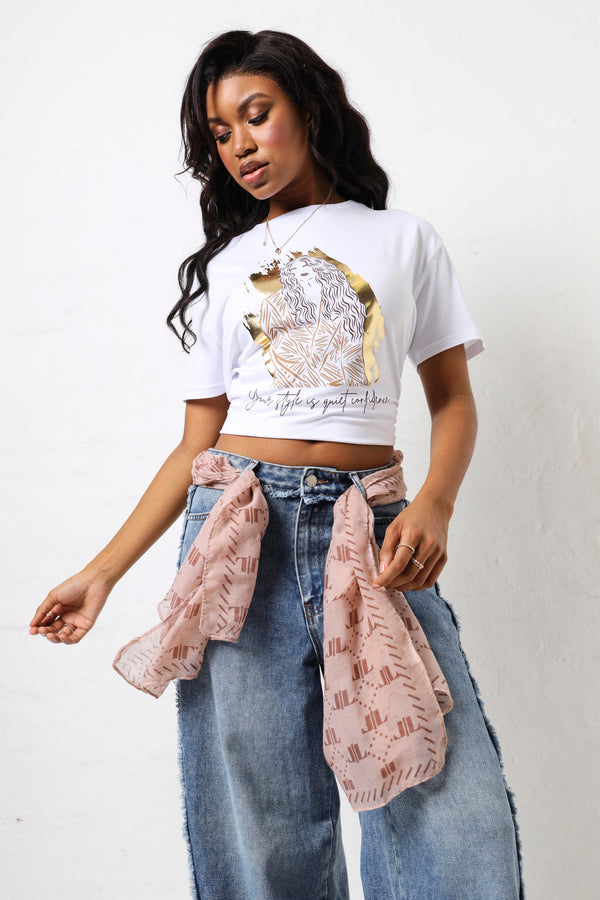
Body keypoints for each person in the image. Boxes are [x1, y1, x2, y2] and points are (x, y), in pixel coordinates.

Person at [29, 28, 525, 900]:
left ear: (310, 107)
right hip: (237, 533)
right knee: (262, 819)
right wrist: (100, 574)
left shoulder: (403, 239)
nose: (241, 146)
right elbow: (196, 445)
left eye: (256, 116)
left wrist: (436, 504)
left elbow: (452, 398)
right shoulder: (229, 268)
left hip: (371, 529)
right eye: (221, 134)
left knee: (448, 804)